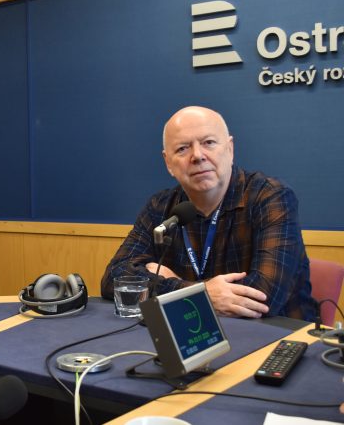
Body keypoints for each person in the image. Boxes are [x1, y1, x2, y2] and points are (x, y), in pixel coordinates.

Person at [101, 106, 316, 321]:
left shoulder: (270, 197)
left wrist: (175, 288)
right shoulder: (160, 206)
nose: (197, 156)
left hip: (280, 339)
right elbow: (114, 279)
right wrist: (198, 294)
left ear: (230, 149)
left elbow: (262, 297)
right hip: (197, 334)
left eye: (209, 143)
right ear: (168, 162)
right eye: (183, 148)